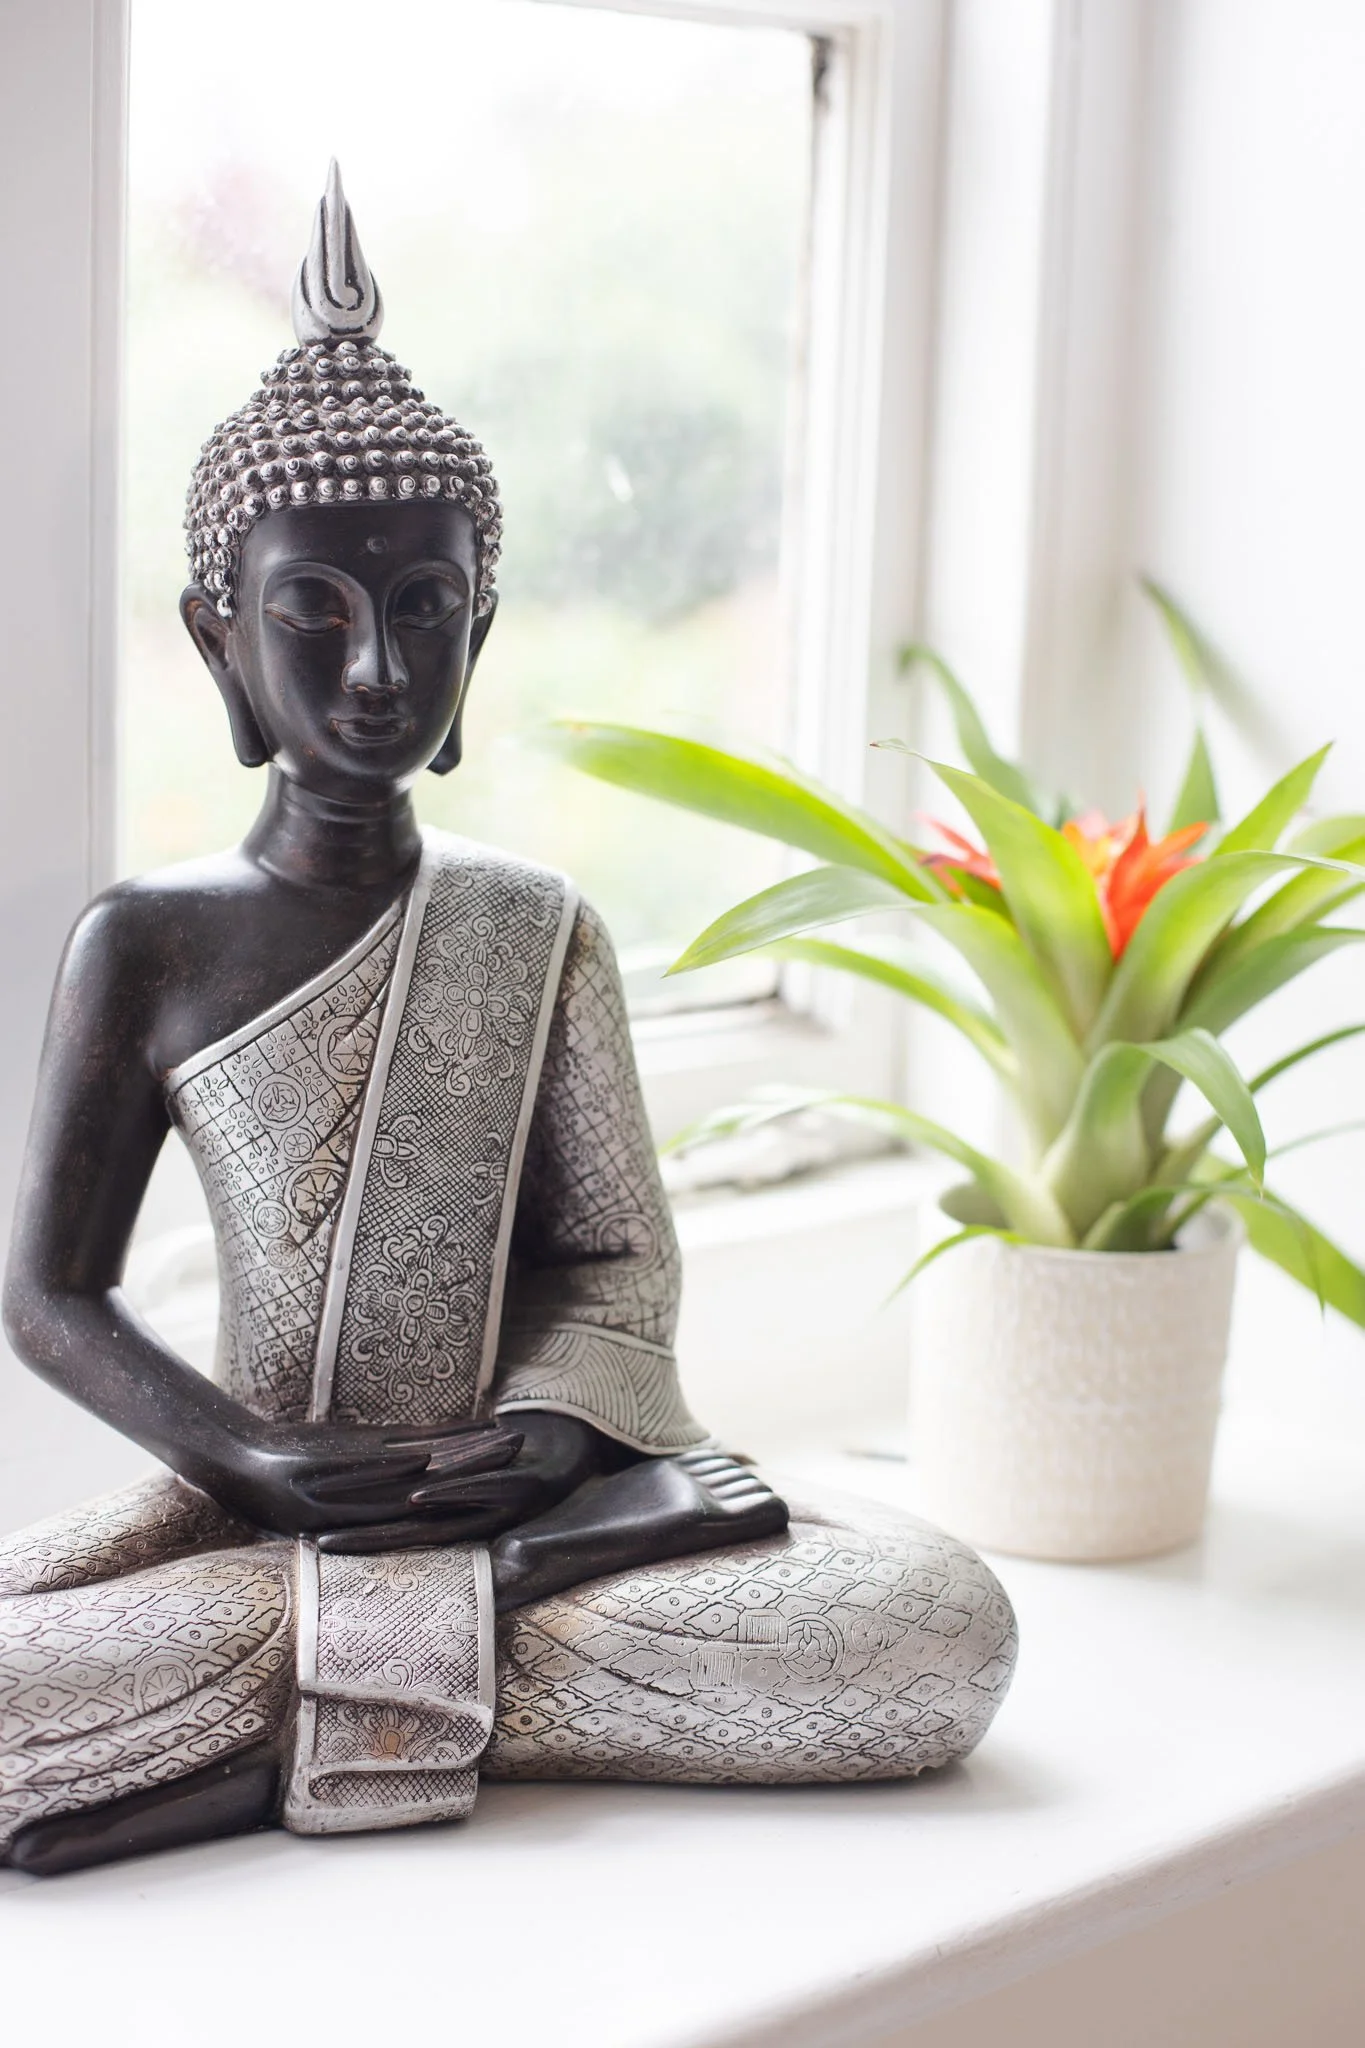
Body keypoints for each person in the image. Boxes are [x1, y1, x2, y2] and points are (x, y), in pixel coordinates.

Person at [0, 167, 1016, 1875]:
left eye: (424, 611)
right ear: (217, 644)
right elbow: (50, 1288)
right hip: (264, 1509)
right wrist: (253, 1457)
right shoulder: (148, 940)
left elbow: (614, 1265)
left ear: (483, 629)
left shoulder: (534, 928)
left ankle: (295, 1726)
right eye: (311, 611)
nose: (378, 669)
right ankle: (422, 1680)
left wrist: (545, 1446)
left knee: (935, 1622)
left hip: (527, 1490)